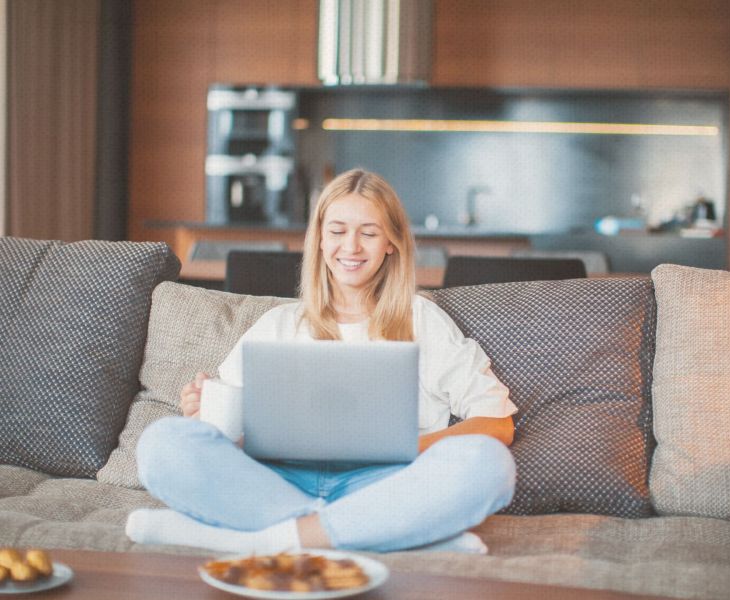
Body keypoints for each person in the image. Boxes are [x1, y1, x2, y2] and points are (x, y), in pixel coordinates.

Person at [126, 169, 517, 554]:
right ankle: (373, 533)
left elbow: (496, 423)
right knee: (163, 442)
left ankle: (273, 539)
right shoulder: (279, 324)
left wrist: (412, 447)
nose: (351, 247)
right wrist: (202, 412)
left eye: (368, 232)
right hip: (276, 481)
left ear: (391, 243)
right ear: (319, 240)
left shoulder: (423, 320)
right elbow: (226, 435)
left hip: (385, 484)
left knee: (490, 465)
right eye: (337, 231)